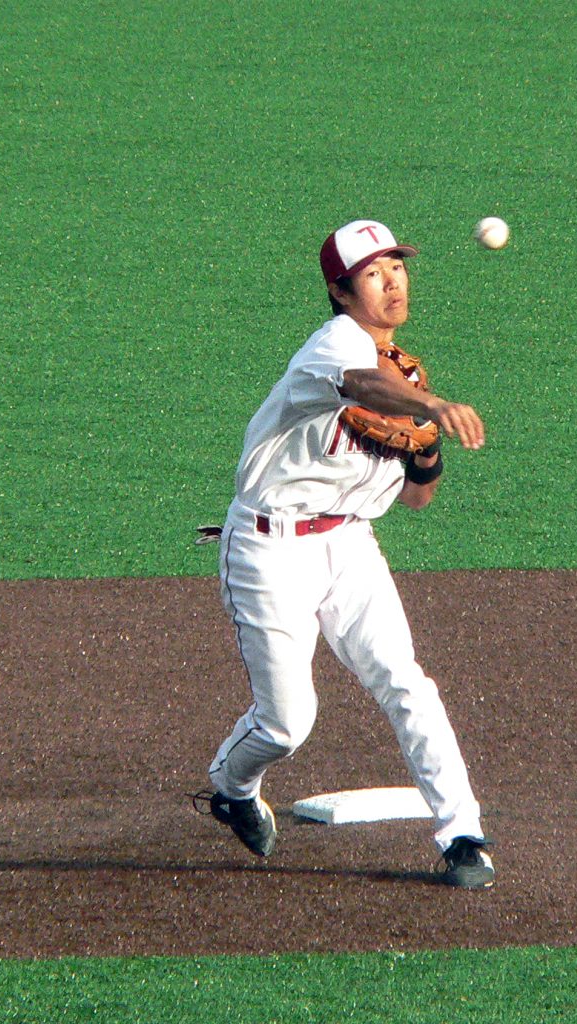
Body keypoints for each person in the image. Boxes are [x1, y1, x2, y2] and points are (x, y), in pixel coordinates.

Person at [201, 219, 494, 888]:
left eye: (397, 267)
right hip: (270, 549)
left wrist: (427, 445)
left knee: (406, 681)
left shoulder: (403, 372)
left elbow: (418, 500)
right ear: (340, 290)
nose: (392, 281)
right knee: (285, 723)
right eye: (373, 273)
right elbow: (361, 386)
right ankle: (231, 788)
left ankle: (463, 836)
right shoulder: (333, 348)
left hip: (349, 543)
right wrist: (433, 403)